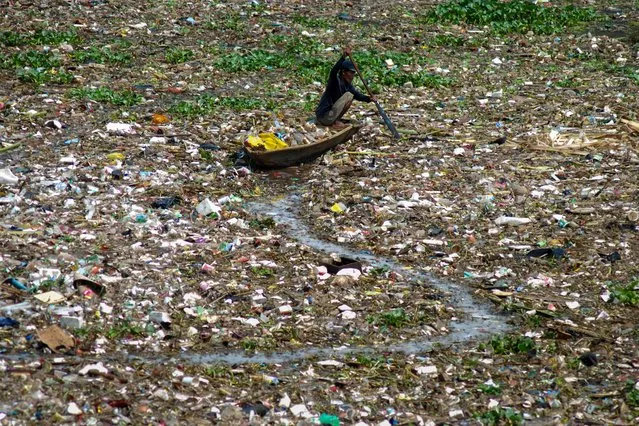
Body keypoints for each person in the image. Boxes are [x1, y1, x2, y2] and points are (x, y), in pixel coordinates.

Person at [315, 46, 375, 129]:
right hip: (324, 117)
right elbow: (333, 72)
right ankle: (336, 122)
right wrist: (343, 57)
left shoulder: (348, 86)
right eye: (352, 72)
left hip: (330, 116)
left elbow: (357, 95)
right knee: (349, 96)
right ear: (344, 72)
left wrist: (369, 99)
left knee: (351, 95)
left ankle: (336, 120)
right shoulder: (335, 82)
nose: (353, 75)